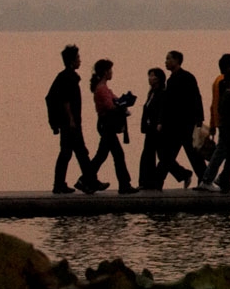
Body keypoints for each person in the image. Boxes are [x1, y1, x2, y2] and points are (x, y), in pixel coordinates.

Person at [45, 44, 105, 194]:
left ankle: (84, 182)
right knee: (75, 152)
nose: (80, 60)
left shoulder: (66, 76)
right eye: (78, 58)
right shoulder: (68, 78)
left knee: (73, 152)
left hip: (70, 123)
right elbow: (66, 101)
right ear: (71, 61)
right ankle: (85, 182)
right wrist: (71, 120)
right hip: (70, 123)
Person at [154, 49, 206, 187]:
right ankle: (158, 181)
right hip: (174, 124)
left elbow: (196, 97)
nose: (166, 62)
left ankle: (204, 179)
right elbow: (167, 104)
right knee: (168, 154)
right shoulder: (171, 80)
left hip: (185, 124)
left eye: (168, 59)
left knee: (191, 154)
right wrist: (162, 121)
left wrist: (199, 118)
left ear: (176, 61)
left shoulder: (187, 77)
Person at [87, 59, 138, 194]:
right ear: (105, 72)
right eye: (110, 70)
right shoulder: (102, 88)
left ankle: (86, 179)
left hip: (106, 125)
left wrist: (123, 102)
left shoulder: (104, 88)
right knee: (116, 155)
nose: (112, 73)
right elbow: (110, 106)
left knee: (103, 155)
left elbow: (114, 101)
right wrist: (121, 107)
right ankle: (124, 185)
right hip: (107, 125)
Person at [138, 67, 166, 190]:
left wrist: (160, 123)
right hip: (150, 128)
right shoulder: (152, 93)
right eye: (149, 76)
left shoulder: (161, 93)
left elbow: (162, 109)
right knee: (150, 155)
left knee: (150, 155)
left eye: (152, 76)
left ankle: (146, 182)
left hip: (155, 128)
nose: (150, 78)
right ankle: (147, 181)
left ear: (159, 79)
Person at [208, 52, 230, 149]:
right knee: (224, 150)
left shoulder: (217, 81)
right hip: (225, 122)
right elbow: (223, 104)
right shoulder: (223, 82)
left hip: (220, 121)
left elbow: (213, 105)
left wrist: (212, 123)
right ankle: (212, 165)